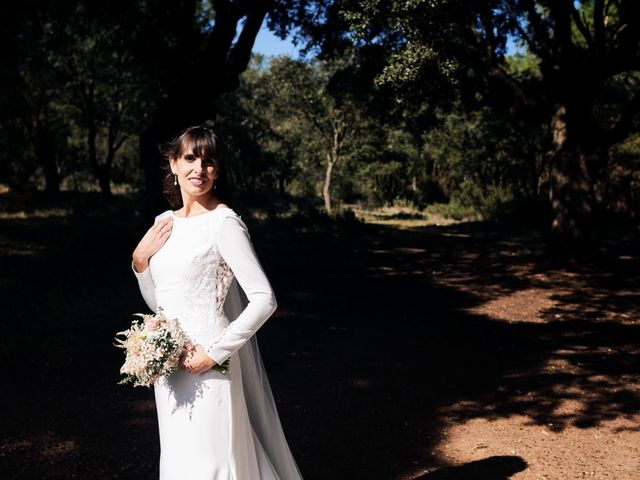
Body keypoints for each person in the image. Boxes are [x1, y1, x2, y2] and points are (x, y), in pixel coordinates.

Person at [131, 126, 303, 479]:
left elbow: (264, 299)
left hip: (212, 364)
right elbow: (158, 302)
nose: (199, 169)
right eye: (191, 158)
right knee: (181, 460)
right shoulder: (163, 223)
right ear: (173, 163)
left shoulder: (224, 223)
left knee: (214, 460)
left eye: (209, 161)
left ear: (217, 170)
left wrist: (216, 352)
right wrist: (139, 262)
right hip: (170, 366)